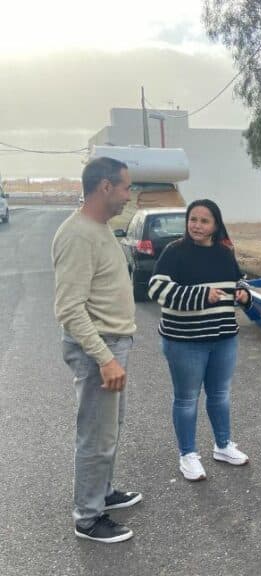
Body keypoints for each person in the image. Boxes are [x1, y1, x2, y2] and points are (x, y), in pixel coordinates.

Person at [52, 157, 141, 544]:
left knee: (110, 428)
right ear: (105, 187)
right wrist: (104, 358)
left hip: (114, 343)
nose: (128, 195)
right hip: (98, 349)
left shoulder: (101, 228)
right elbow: (69, 309)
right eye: (125, 187)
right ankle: (88, 517)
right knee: (95, 434)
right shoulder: (77, 235)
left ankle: (102, 491)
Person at [148, 199, 251, 482]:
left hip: (224, 338)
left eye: (204, 221)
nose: (197, 225)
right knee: (186, 400)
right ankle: (188, 454)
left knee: (220, 396)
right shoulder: (174, 252)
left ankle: (223, 445)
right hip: (185, 341)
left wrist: (244, 294)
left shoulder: (224, 253)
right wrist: (200, 296)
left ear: (215, 225)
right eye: (193, 219)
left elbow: (239, 280)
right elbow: (157, 289)